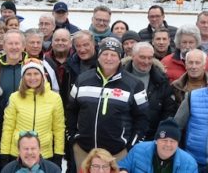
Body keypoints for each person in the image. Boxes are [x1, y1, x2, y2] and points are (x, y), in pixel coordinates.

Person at [67, 37, 149, 166]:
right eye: (105, 54)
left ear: (120, 57)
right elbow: (71, 110)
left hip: (117, 153)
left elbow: (143, 118)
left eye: (113, 55)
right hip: (83, 151)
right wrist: (72, 138)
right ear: (98, 56)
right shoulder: (82, 80)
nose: (109, 58)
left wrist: (130, 145)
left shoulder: (134, 84)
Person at [0, 60, 64, 165]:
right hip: (18, 154)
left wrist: (58, 154)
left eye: (36, 74)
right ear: (23, 77)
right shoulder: (15, 97)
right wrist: (4, 154)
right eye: (28, 74)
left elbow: (59, 129)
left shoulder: (54, 98)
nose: (32, 78)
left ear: (43, 76)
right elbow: (8, 128)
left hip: (45, 154)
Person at [121, 42, 176, 140]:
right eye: (142, 57)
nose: (146, 61)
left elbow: (168, 111)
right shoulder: (119, 77)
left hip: (151, 137)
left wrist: (159, 134)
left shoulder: (162, 80)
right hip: (123, 136)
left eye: (150, 58)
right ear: (133, 56)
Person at [118, 118, 198, 173]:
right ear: (156, 141)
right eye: (164, 140)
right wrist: (123, 170)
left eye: (172, 141)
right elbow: (123, 164)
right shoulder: (138, 150)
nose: (168, 144)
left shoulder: (189, 163)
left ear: (178, 144)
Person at [0, 31, 27, 97]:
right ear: (4, 46)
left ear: (23, 47)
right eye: (10, 43)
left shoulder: (33, 67)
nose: (14, 47)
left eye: (17, 43)